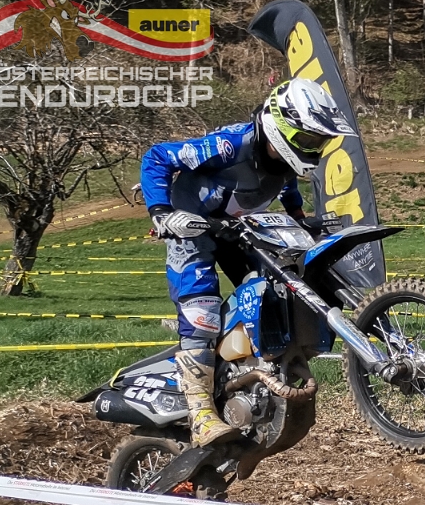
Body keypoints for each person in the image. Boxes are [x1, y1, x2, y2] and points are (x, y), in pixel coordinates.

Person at [140, 78, 354, 446]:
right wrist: (161, 213)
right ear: (280, 125)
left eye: (320, 141)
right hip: (191, 225)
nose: (313, 148)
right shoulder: (229, 145)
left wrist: (298, 217)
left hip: (238, 228)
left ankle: (251, 369)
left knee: (277, 286)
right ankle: (201, 415)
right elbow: (156, 157)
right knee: (202, 309)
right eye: (308, 139)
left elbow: (285, 182)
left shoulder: (282, 160)